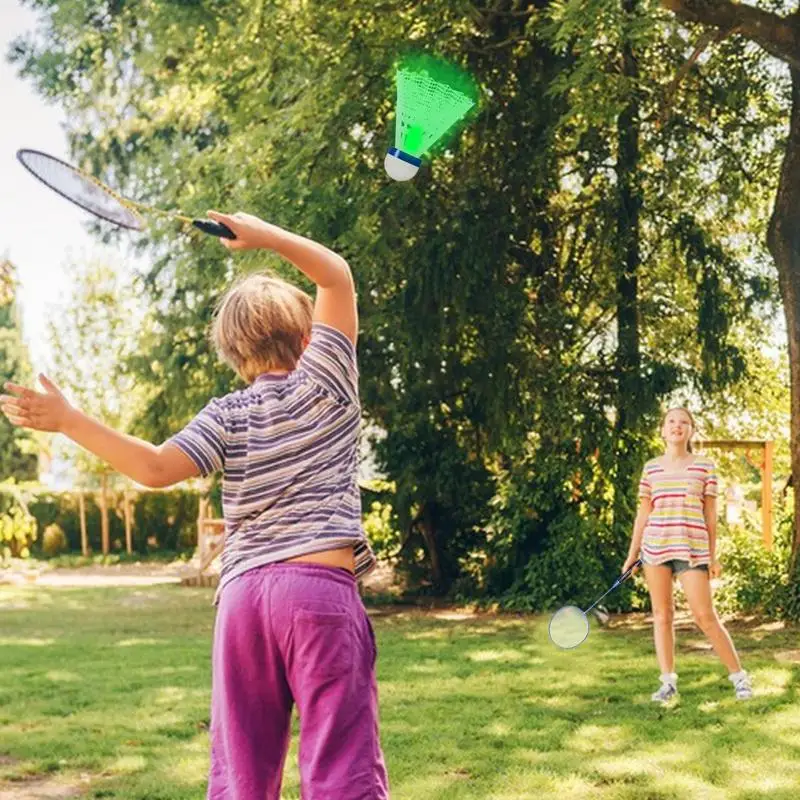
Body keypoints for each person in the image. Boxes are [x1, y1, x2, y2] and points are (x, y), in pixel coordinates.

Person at [1, 210, 390, 799]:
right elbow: (336, 276)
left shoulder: (226, 415)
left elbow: (154, 467)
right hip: (317, 594)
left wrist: (70, 420)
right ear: (310, 339)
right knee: (341, 767)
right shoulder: (326, 380)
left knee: (240, 776)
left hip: (242, 603)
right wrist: (262, 235)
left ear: (233, 353)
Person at [622, 407, 752, 704]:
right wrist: (632, 555)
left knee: (705, 616)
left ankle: (740, 678)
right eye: (671, 421)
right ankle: (667, 683)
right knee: (662, 616)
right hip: (655, 548)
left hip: (692, 549)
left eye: (684, 422)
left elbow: (710, 514)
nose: (677, 426)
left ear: (691, 431)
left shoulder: (704, 467)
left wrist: (712, 556)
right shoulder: (651, 468)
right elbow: (643, 514)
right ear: (662, 430)